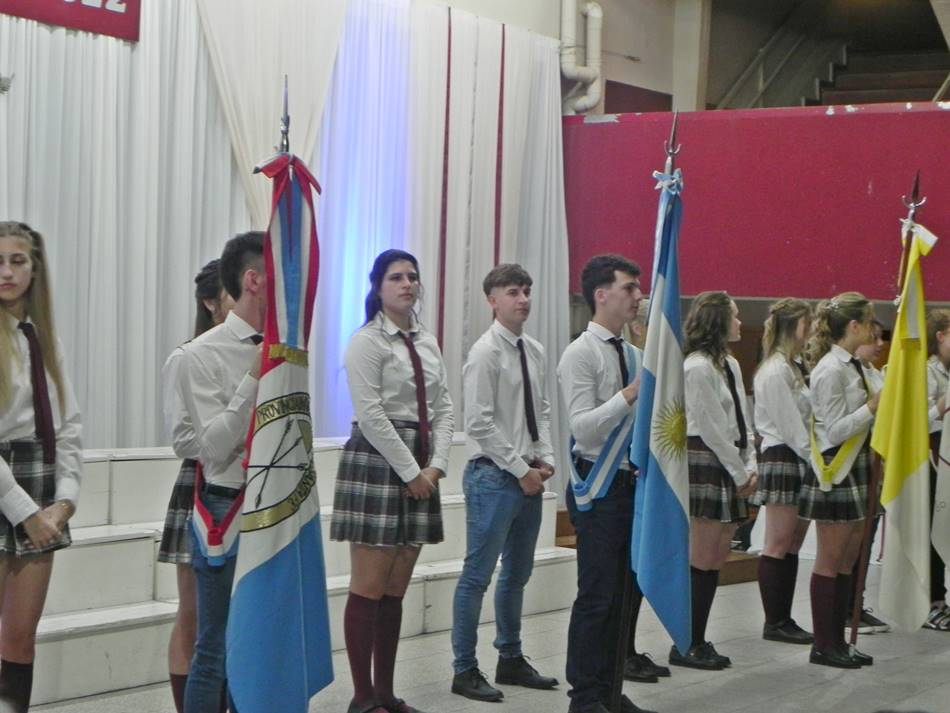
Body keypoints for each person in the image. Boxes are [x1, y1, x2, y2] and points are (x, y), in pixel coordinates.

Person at [331, 249, 454, 713]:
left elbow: (444, 409)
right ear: (378, 287)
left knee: (396, 587)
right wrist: (412, 472)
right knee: (369, 584)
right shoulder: (367, 341)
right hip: (379, 460)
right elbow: (371, 415)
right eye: (396, 277)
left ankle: (385, 692)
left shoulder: (428, 342)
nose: (407, 284)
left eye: (412, 277)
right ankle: (362, 697)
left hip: (422, 461)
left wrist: (436, 466)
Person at [450, 264, 558, 702]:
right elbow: (478, 423)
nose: (523, 299)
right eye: (513, 292)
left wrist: (546, 457)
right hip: (494, 476)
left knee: (517, 573)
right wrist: (519, 469)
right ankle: (464, 668)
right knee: (477, 575)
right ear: (492, 300)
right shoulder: (485, 352)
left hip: (527, 473)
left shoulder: (534, 350)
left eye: (527, 290)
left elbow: (542, 410)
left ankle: (510, 657)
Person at [558, 254, 655, 713]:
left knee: (624, 596)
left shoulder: (634, 355)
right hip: (597, 487)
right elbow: (583, 427)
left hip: (629, 484)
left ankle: (611, 690)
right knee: (597, 596)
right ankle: (585, 697)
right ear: (601, 294)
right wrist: (629, 394)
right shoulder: (580, 353)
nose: (638, 296)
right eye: (629, 287)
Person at [178, 232, 266, 712]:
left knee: (258, 641)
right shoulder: (199, 354)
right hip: (226, 503)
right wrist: (254, 376)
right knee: (215, 644)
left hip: (274, 504)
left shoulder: (286, 349)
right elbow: (211, 446)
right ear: (253, 280)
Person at [0, 221, 82, 713]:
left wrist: (64, 501)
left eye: (17, 261)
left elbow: (68, 427)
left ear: (35, 269)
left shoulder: (43, 338)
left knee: (20, 641)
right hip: (6, 483)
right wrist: (24, 511)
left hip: (39, 482)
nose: (6, 272)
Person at [159, 259, 235, 712]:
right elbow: (183, 439)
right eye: (234, 293)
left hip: (246, 485)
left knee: (230, 617)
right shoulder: (189, 356)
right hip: (201, 483)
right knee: (194, 615)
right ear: (211, 303)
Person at [674, 291, 756, 670]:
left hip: (730, 457)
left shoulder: (729, 364)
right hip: (707, 458)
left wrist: (750, 461)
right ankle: (686, 641)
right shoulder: (697, 367)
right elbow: (709, 427)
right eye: (734, 316)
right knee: (703, 556)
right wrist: (739, 471)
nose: (739, 323)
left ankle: (698, 637)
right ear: (717, 322)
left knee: (717, 555)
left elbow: (742, 418)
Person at [800, 292, 878, 669]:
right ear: (854, 326)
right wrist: (871, 408)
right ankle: (823, 644)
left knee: (849, 558)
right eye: (869, 322)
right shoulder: (830, 369)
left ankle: (840, 640)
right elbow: (833, 432)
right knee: (830, 559)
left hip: (859, 464)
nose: (873, 330)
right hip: (836, 467)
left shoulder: (856, 366)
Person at [751, 298, 814, 645]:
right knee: (777, 542)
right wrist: (817, 461)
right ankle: (774, 620)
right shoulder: (775, 370)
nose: (811, 330)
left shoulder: (795, 366)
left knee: (793, 542)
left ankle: (785, 617)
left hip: (798, 456)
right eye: (806, 323)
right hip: (784, 455)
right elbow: (791, 426)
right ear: (792, 327)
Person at [846, 319, 890, 635]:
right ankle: (845, 609)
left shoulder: (875, 373)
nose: (879, 345)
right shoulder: (848, 373)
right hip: (852, 460)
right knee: (851, 544)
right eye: (873, 338)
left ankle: (855, 604)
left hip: (874, 461)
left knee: (866, 538)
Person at [924, 309, 950, 630]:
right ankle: (933, 601)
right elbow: (920, 418)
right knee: (933, 529)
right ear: (940, 336)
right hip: (932, 457)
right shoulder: (927, 372)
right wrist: (943, 404)